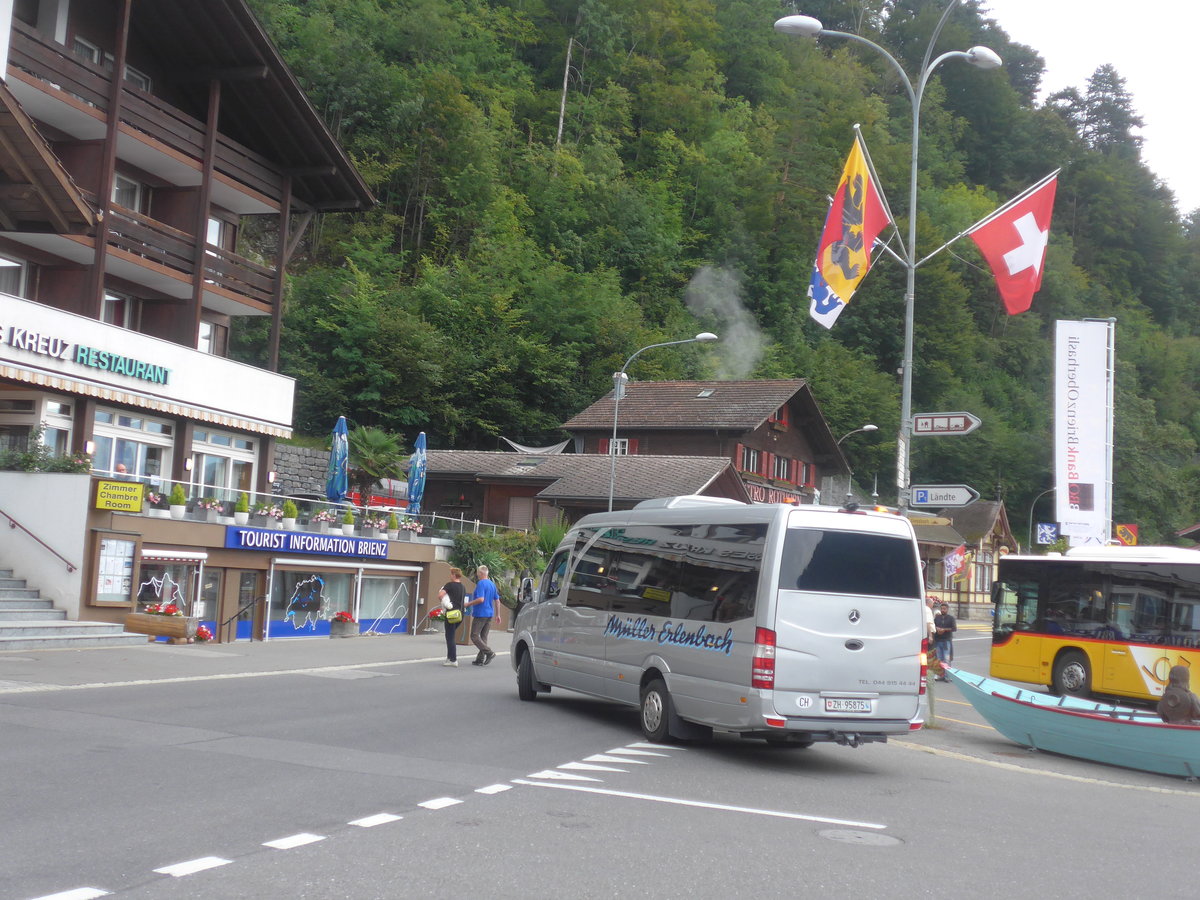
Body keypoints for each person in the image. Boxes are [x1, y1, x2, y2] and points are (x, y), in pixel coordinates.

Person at [465, 564, 499, 666]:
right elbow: (497, 600)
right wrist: (498, 614)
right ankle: (480, 659)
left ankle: (489, 653)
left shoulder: (481, 584)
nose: (477, 574)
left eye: (477, 572)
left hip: (481, 613)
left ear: (480, 573)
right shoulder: (492, 584)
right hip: (489, 613)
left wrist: (468, 604)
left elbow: (481, 599)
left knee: (474, 636)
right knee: (483, 637)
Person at [437, 567, 466, 667]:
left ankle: (453, 659)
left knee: (450, 637)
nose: (450, 575)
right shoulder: (463, 587)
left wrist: (444, 602)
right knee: (451, 635)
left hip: (451, 614)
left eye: (451, 574)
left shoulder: (449, 585)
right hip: (460, 614)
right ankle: (449, 657)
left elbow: (440, 595)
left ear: (454, 575)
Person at [933, 602, 956, 681]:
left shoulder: (951, 618)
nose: (943, 610)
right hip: (938, 640)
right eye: (942, 609)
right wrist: (937, 629)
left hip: (946, 641)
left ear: (947, 609)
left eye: (944, 609)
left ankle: (947, 676)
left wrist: (944, 630)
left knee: (946, 659)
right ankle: (940, 675)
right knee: (939, 659)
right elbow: (933, 626)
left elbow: (954, 628)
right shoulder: (937, 618)